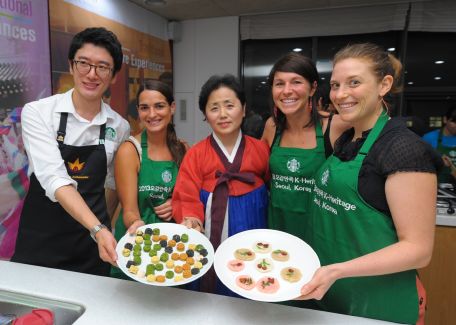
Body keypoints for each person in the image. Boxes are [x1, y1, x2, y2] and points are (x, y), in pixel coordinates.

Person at [299, 43, 439, 324]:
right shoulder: (346, 137)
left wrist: (336, 270)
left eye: (354, 83)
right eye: (336, 84)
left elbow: (418, 249)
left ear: (384, 85)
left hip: (380, 304)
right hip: (332, 294)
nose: (340, 94)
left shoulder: (403, 149)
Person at [11, 27, 130, 276]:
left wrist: (101, 232)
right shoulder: (38, 112)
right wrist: (97, 228)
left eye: (103, 67)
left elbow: (110, 185)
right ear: (71, 65)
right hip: (42, 240)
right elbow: (55, 178)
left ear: (114, 75)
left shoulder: (119, 126)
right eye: (84, 63)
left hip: (91, 247)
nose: (91, 74)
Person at [172, 74, 270, 293]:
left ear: (243, 109)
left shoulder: (260, 149)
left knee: (251, 278)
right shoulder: (196, 154)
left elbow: (271, 185)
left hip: (253, 223)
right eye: (214, 108)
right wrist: (193, 222)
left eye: (229, 105)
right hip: (210, 228)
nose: (223, 114)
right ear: (206, 115)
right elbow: (186, 195)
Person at [261, 52, 346, 240]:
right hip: (277, 230)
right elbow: (257, 169)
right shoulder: (271, 127)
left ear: (313, 88)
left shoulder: (334, 126)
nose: (286, 90)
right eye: (279, 83)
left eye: (296, 82)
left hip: (319, 233)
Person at [111, 80, 188, 278]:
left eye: (159, 106)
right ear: (138, 111)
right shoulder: (130, 150)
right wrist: (136, 223)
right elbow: (128, 209)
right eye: (145, 108)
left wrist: (176, 203)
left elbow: (191, 198)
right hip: (137, 243)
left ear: (172, 108)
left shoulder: (183, 149)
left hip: (171, 244)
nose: (152, 114)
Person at [423, 105, 456, 183]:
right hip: (436, 187)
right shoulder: (429, 138)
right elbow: (420, 165)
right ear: (445, 119)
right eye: (454, 122)